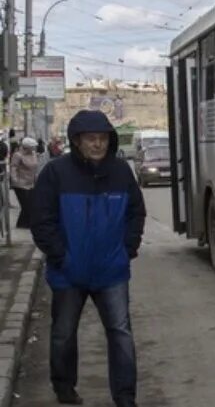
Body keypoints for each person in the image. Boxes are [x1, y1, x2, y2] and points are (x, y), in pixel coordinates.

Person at [31, 110, 146, 407]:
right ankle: (64, 388)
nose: (98, 144)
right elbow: (42, 220)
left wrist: (127, 249)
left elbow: (136, 213)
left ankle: (125, 397)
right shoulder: (55, 173)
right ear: (77, 141)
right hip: (68, 272)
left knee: (120, 333)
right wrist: (61, 257)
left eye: (103, 138)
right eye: (91, 139)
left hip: (112, 271)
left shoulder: (121, 172)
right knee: (63, 334)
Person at [11, 137, 40, 229]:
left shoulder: (34, 154)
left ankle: (21, 224)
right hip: (20, 184)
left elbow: (35, 168)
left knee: (30, 204)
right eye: (33, 147)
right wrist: (14, 179)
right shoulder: (18, 155)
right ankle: (25, 224)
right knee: (26, 205)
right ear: (27, 147)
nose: (34, 148)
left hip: (31, 183)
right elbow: (13, 167)